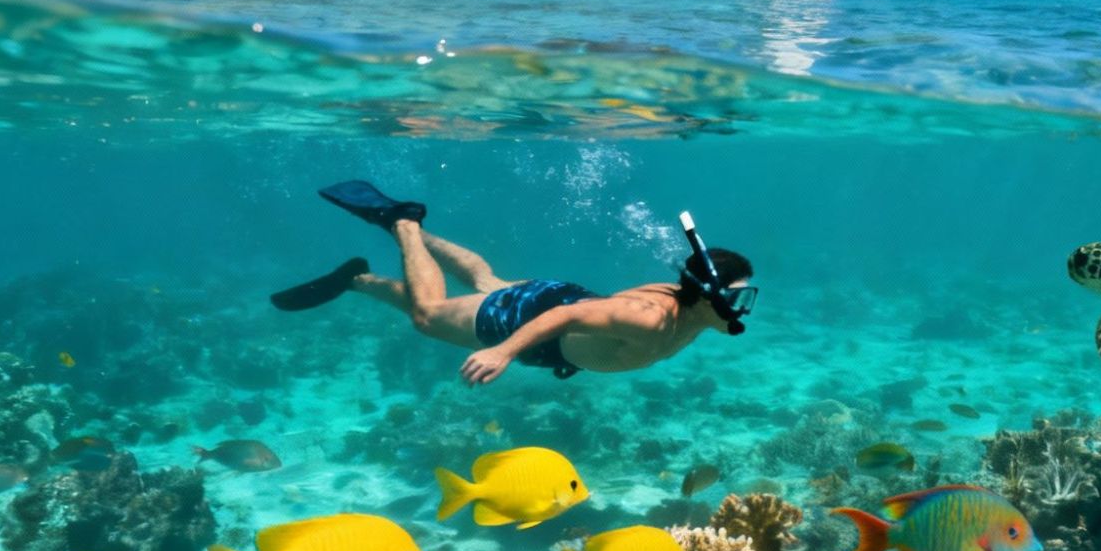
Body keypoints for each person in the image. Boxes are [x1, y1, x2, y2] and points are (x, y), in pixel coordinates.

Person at [271, 181, 755, 385]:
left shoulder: (689, 306)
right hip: (537, 319)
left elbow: (586, 316)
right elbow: (565, 316)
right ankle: (403, 227)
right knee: (428, 317)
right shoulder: (651, 320)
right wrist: (502, 352)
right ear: (711, 293)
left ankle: (358, 278)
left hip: (558, 301)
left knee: (487, 281)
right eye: (737, 297)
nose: (742, 308)